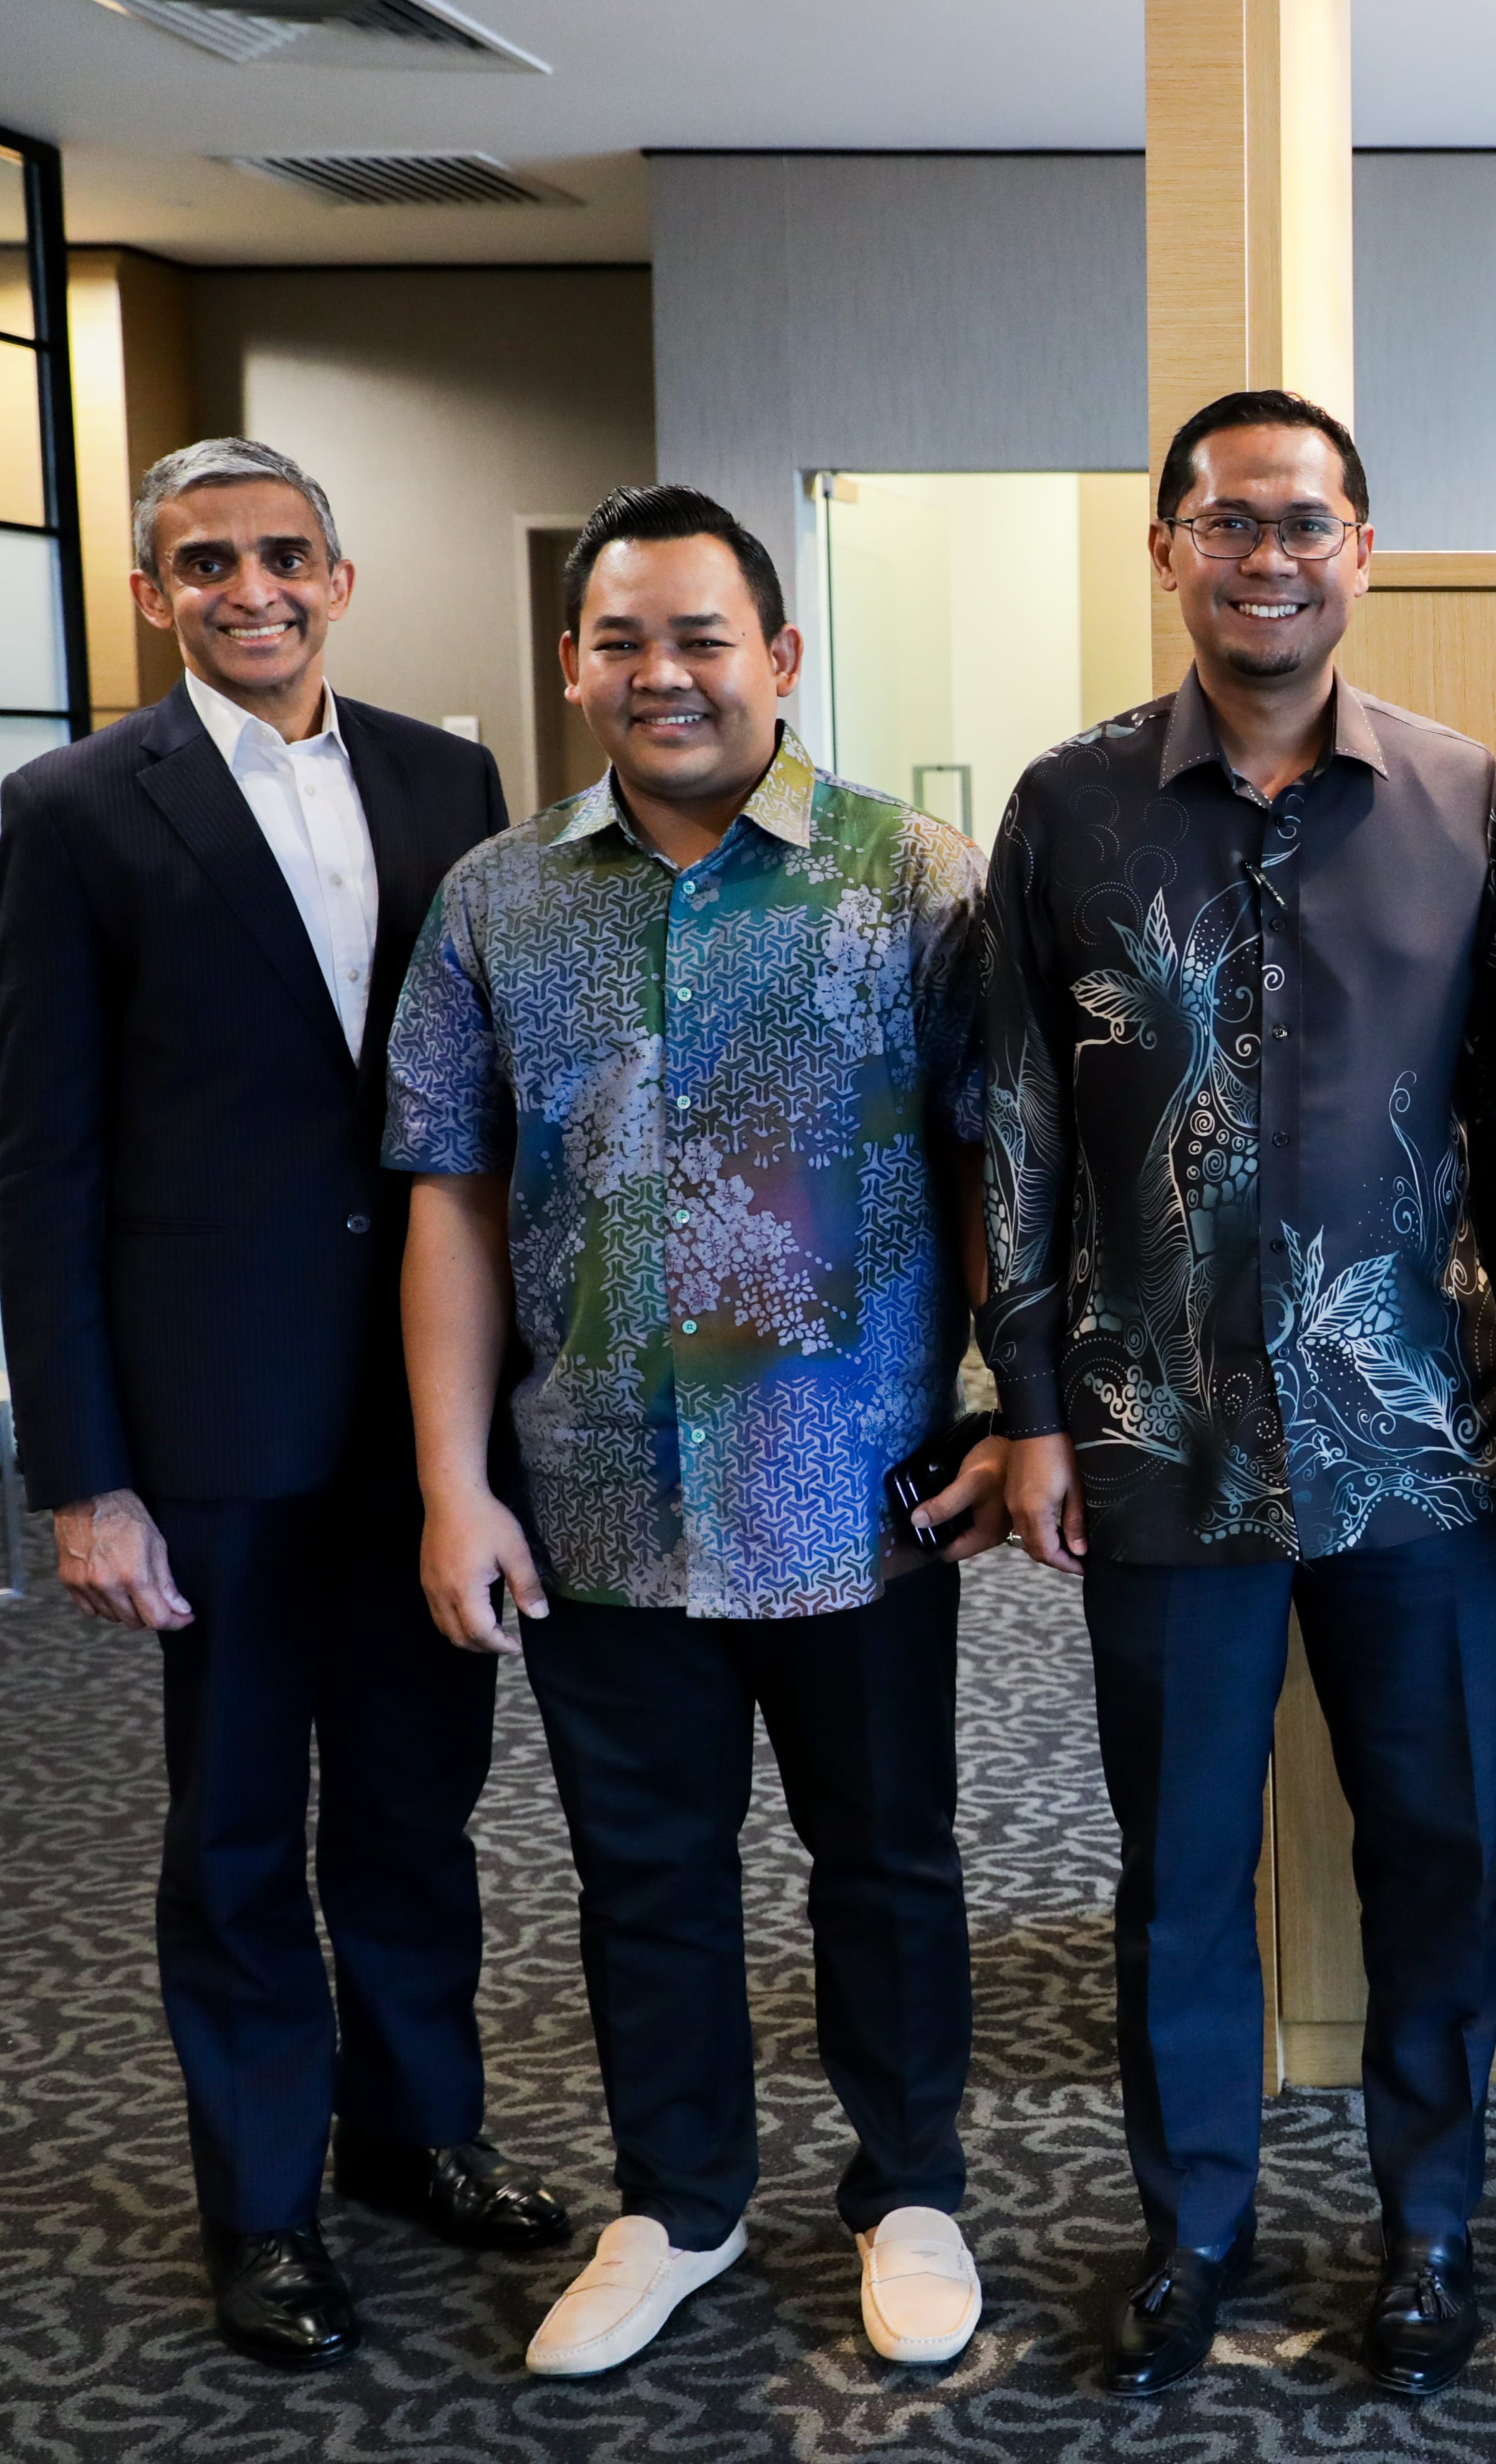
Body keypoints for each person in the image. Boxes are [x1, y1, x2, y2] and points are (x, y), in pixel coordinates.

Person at [387, 483, 1009, 2380]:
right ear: (575, 664)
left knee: (886, 1857)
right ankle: (681, 2201)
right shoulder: (497, 897)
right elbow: (452, 1195)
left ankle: (910, 2188)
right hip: (595, 1491)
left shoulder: (910, 876)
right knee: (644, 1871)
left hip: (860, 1486)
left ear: (781, 659)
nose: (665, 675)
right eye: (624, 640)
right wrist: (451, 1483)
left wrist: (1005, 1402)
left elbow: (996, 1164)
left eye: (703, 638)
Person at [981, 389, 1496, 2402]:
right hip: (1152, 1442)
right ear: (1168, 551)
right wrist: (1026, 1404)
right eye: (1225, 523)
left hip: (1421, 1445)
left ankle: (1431, 2227)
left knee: (1431, 1862)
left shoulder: (1464, 798)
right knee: (1181, 1868)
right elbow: (1017, 1119)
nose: (1265, 557)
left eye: (1303, 522)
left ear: (1360, 551)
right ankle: (1193, 2228)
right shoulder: (1072, 805)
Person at [0, 437, 554, 2370]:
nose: (254, 590)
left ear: (343, 573)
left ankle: (414, 2135)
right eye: (207, 563)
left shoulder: (447, 778)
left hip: (428, 1409)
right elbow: (43, 1162)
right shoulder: (72, 808)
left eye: (286, 557)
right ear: (153, 594)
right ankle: (262, 2204)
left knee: (416, 1798)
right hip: (207, 1416)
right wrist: (86, 1478)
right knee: (235, 1830)